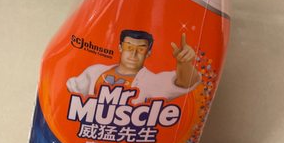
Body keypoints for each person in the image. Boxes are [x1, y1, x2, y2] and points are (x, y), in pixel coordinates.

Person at [66, 29, 200, 103]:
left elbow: (186, 82)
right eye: (128, 47)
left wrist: (184, 63)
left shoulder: (152, 82)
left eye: (141, 49)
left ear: (148, 52)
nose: (133, 54)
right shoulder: (95, 71)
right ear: (120, 47)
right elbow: (71, 94)